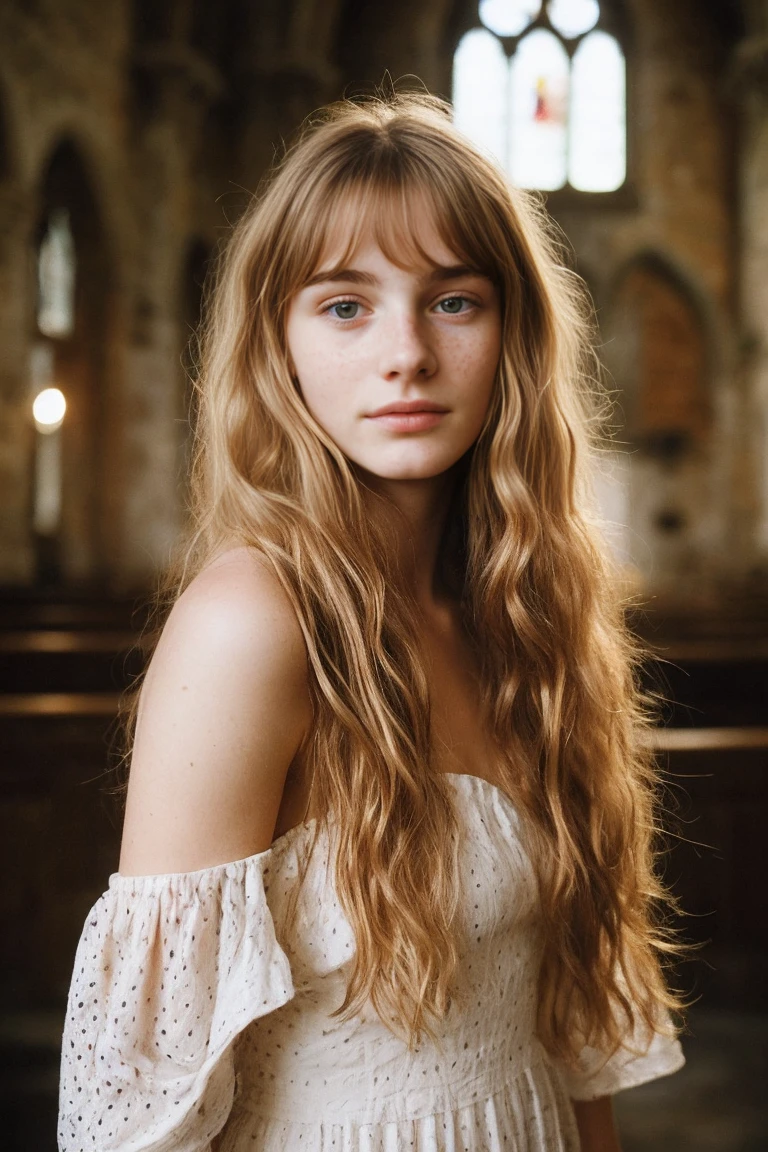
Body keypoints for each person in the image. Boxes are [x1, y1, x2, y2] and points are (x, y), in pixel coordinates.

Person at [57, 91, 687, 1151]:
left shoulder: (528, 615)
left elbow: (571, 1037)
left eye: (453, 302)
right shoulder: (252, 622)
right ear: (281, 345)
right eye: (345, 306)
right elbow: (138, 1113)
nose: (406, 354)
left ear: (512, 334)